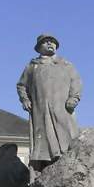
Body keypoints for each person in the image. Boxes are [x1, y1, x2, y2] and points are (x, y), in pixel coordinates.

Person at [16, 34, 82, 173]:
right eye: (46, 42)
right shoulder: (32, 66)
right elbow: (21, 85)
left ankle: (68, 160)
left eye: (52, 42)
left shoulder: (66, 64)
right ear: (39, 47)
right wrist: (25, 99)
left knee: (66, 135)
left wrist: (73, 98)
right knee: (43, 140)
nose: (50, 44)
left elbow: (76, 82)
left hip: (62, 108)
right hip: (40, 109)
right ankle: (44, 166)